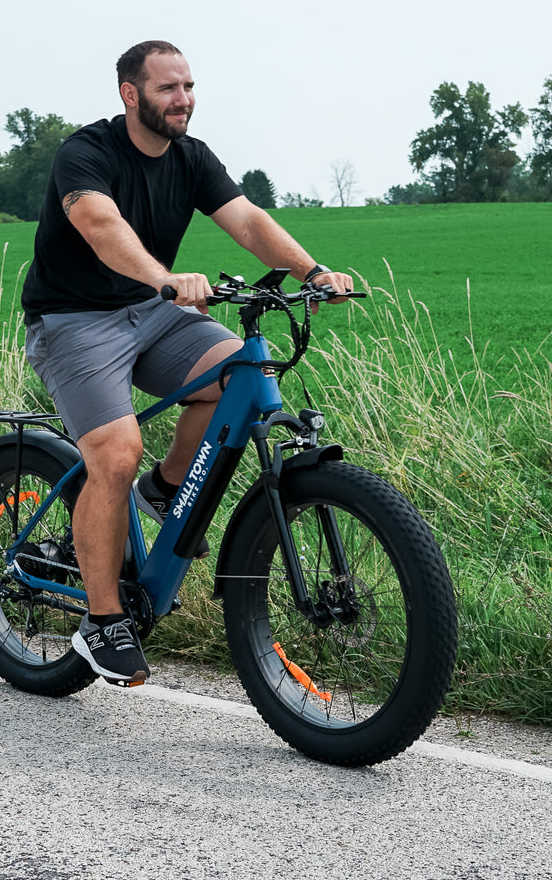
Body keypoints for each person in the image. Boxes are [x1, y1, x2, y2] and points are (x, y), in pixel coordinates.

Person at [19, 40, 354, 688]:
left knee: (241, 373)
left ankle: (166, 488)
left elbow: (248, 220)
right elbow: (99, 222)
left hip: (149, 311)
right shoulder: (85, 152)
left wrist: (309, 270)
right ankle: (102, 620)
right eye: (168, 88)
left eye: (189, 86)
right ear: (130, 93)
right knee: (115, 453)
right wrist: (162, 277)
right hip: (73, 318)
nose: (183, 99)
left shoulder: (191, 158)